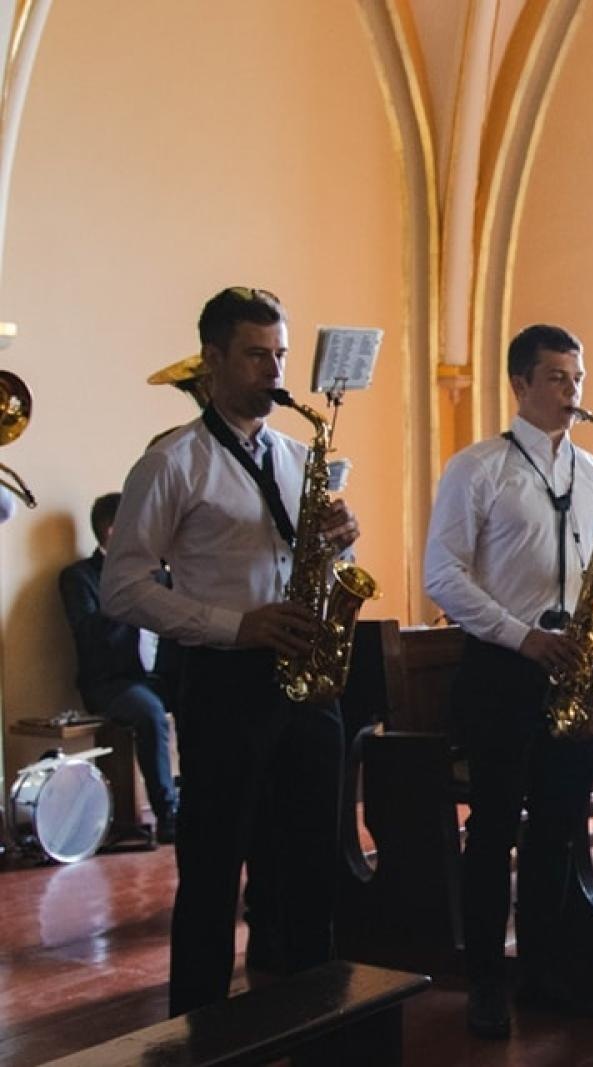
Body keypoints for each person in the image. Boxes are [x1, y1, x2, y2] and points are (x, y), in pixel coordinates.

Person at [103, 286, 360, 1016]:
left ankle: (318, 1020)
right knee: (214, 871)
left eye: (279, 355)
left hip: (305, 678)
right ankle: (199, 1031)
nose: (274, 372)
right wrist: (234, 624)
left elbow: (312, 563)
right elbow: (122, 587)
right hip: (225, 679)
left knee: (314, 865)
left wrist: (340, 542)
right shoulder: (172, 462)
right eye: (256, 355)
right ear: (211, 360)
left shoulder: (298, 455)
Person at [423, 324, 593, 1039]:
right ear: (521, 384)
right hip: (502, 670)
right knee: (494, 827)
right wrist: (523, 635)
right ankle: (485, 983)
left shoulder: (592, 474)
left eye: (578, 377)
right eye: (557, 378)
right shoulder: (477, 468)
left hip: (571, 668)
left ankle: (543, 970)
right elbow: (442, 574)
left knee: (559, 829)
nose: (573, 393)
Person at [59, 492, 180, 842]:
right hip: (112, 682)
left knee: (204, 694)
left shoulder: (158, 576)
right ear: (113, 532)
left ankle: (204, 796)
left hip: (157, 675)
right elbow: (88, 635)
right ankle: (167, 813)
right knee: (150, 713)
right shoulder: (78, 578)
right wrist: (125, 593)